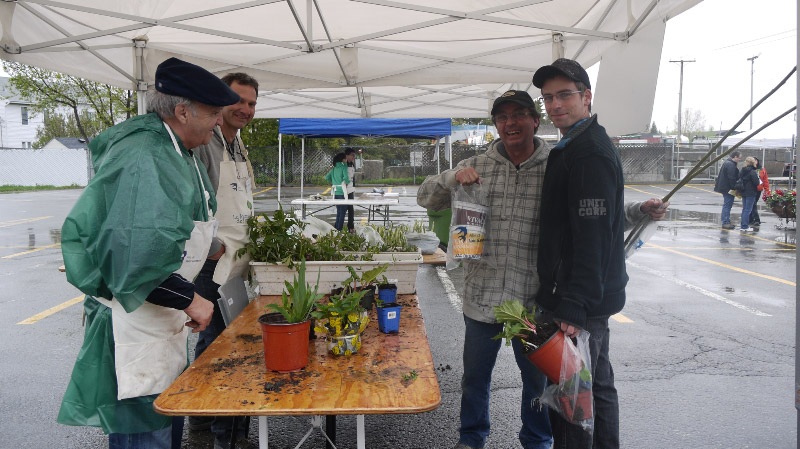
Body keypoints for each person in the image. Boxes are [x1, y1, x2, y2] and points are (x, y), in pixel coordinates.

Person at [57, 57, 240, 449]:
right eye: (212, 114)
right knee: (145, 434)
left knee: (163, 418)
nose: (217, 122)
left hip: (158, 318)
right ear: (181, 111)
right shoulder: (146, 156)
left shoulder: (177, 150)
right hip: (133, 321)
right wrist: (192, 300)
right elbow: (135, 259)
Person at [418, 89, 554, 449]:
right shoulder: (477, 165)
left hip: (533, 299)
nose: (510, 122)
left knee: (537, 381)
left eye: (519, 114)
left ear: (535, 120)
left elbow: (595, 211)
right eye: (502, 116)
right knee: (475, 378)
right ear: (495, 124)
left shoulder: (557, 165)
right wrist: (451, 178)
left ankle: (537, 440)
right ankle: (471, 438)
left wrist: (637, 213)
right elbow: (424, 196)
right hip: (482, 294)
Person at [531, 57, 626, 449]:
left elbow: (592, 236)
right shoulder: (576, 144)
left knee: (572, 403)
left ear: (586, 96)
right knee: (596, 387)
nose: (555, 105)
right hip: (590, 300)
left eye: (564, 95)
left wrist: (573, 303)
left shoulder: (587, 153)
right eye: (548, 98)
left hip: (578, 304)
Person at [189, 72, 258, 447]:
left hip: (238, 263)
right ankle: (222, 434)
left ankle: (202, 416)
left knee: (216, 344)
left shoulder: (238, 145)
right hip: (212, 264)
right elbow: (189, 200)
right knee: (223, 348)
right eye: (238, 101)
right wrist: (212, 246)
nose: (245, 109)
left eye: (251, 104)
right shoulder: (205, 144)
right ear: (220, 102)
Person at [714, 151, 741, 229]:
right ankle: (725, 222)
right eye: (739, 158)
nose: (739, 160)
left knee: (727, 205)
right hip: (728, 188)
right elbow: (731, 178)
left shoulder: (728, 163)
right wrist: (735, 188)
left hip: (724, 187)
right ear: (735, 157)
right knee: (727, 205)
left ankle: (726, 221)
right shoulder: (731, 165)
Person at [325, 152, 350, 231]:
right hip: (342, 192)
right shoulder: (344, 167)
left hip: (335, 192)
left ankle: (336, 228)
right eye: (345, 158)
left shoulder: (334, 168)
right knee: (342, 212)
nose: (346, 160)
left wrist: (332, 182)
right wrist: (348, 183)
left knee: (339, 211)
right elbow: (346, 177)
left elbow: (327, 177)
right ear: (343, 160)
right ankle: (339, 229)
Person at [738, 156, 761, 232]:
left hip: (743, 191)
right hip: (750, 192)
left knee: (744, 209)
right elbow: (756, 182)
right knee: (748, 210)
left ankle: (743, 225)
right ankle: (745, 226)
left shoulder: (743, 170)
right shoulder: (752, 172)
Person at [749, 156, 768, 226]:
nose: (755, 162)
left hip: (758, 189)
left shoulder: (762, 169)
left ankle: (750, 219)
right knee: (752, 204)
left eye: (756, 160)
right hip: (751, 189)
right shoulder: (749, 169)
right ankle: (756, 219)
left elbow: (765, 180)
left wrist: (766, 190)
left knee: (753, 204)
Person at [344, 147, 357, 232]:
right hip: (344, 190)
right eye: (352, 155)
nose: (353, 157)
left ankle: (351, 227)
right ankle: (338, 227)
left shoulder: (352, 164)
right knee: (342, 210)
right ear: (347, 155)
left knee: (351, 209)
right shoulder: (343, 164)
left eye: (354, 156)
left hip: (351, 189)